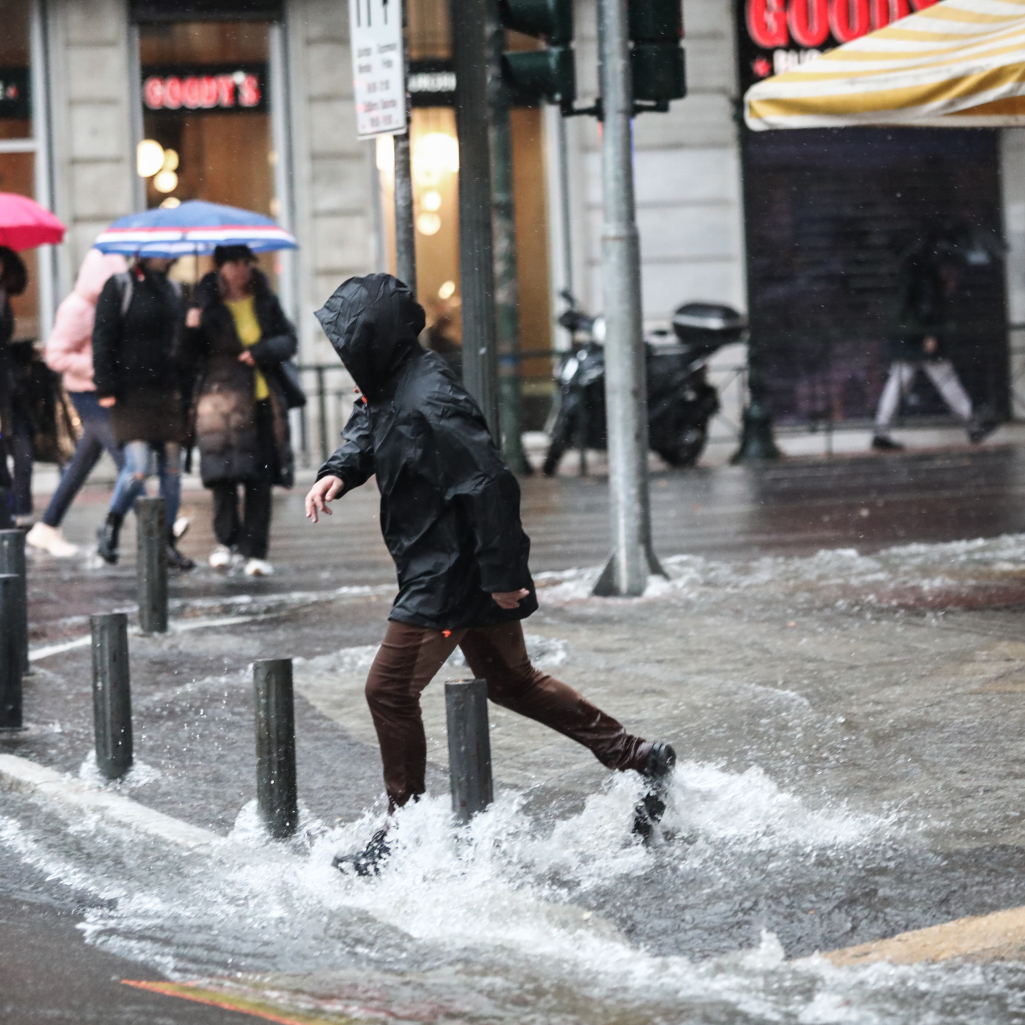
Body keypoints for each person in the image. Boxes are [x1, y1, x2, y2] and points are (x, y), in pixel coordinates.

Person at [306, 274, 676, 875]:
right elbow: (369, 423)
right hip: (450, 562)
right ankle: (636, 756)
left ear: (375, 339)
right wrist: (339, 472)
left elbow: (489, 484)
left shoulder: (432, 398)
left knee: (388, 691)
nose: (344, 355)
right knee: (512, 681)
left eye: (349, 341)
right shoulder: (393, 383)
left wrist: (503, 575)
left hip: (449, 572)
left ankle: (405, 836)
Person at [180, 245, 298, 577]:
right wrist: (191, 324)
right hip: (220, 403)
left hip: (261, 399)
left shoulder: (263, 298)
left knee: (260, 478)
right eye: (234, 263)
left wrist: (260, 351)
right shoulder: (205, 304)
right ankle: (226, 543)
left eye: (247, 263)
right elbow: (187, 356)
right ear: (220, 267)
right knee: (224, 475)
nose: (242, 269)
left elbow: (288, 340)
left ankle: (255, 549)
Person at [25, 249, 128, 557]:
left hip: (101, 389)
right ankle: (161, 526)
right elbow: (56, 355)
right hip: (86, 392)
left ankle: (47, 526)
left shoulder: (106, 306)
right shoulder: (77, 308)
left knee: (84, 461)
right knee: (127, 459)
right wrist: (98, 369)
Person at [92, 256, 193, 570]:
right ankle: (110, 525)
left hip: (167, 392)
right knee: (138, 468)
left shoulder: (176, 290)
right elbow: (103, 337)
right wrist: (105, 385)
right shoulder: (120, 285)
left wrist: (193, 324)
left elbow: (184, 345)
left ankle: (165, 543)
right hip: (129, 393)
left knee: (172, 473)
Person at [872, 233, 995, 452]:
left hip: (905, 338)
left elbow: (907, 305)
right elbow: (928, 306)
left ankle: (880, 432)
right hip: (920, 338)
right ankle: (973, 426)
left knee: (898, 384)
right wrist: (930, 334)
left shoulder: (907, 270)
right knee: (946, 381)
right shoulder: (926, 272)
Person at [0, 247, 35, 527]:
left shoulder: (4, 297)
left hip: (10, 388)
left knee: (24, 453)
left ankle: (20, 514)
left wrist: (26, 350)